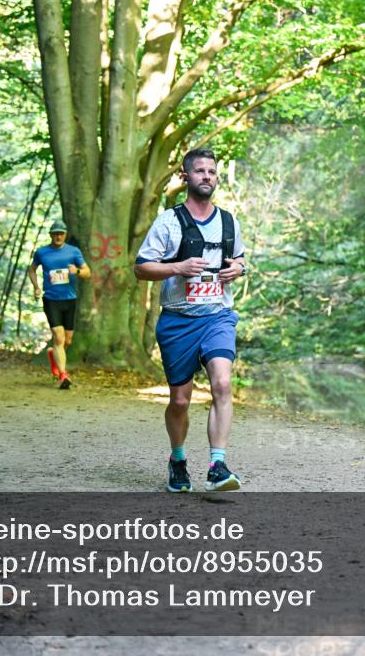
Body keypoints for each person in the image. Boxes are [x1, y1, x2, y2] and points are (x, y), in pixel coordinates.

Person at [134, 148, 247, 492]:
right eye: (199, 171)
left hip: (218, 316)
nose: (207, 177)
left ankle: (217, 465)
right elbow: (141, 267)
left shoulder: (229, 221)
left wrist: (239, 268)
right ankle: (178, 459)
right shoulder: (169, 221)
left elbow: (240, 259)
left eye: (211, 171)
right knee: (180, 400)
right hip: (179, 321)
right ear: (186, 177)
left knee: (222, 384)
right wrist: (178, 268)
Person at [28, 220, 91, 389]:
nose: (58, 236)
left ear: (65, 235)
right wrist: (36, 287)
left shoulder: (73, 252)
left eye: (61, 233)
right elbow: (32, 269)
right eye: (55, 233)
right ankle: (63, 375)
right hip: (51, 299)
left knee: (67, 341)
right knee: (58, 336)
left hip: (69, 299)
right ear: (50, 235)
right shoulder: (42, 252)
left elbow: (87, 272)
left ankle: (52, 355)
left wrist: (76, 271)